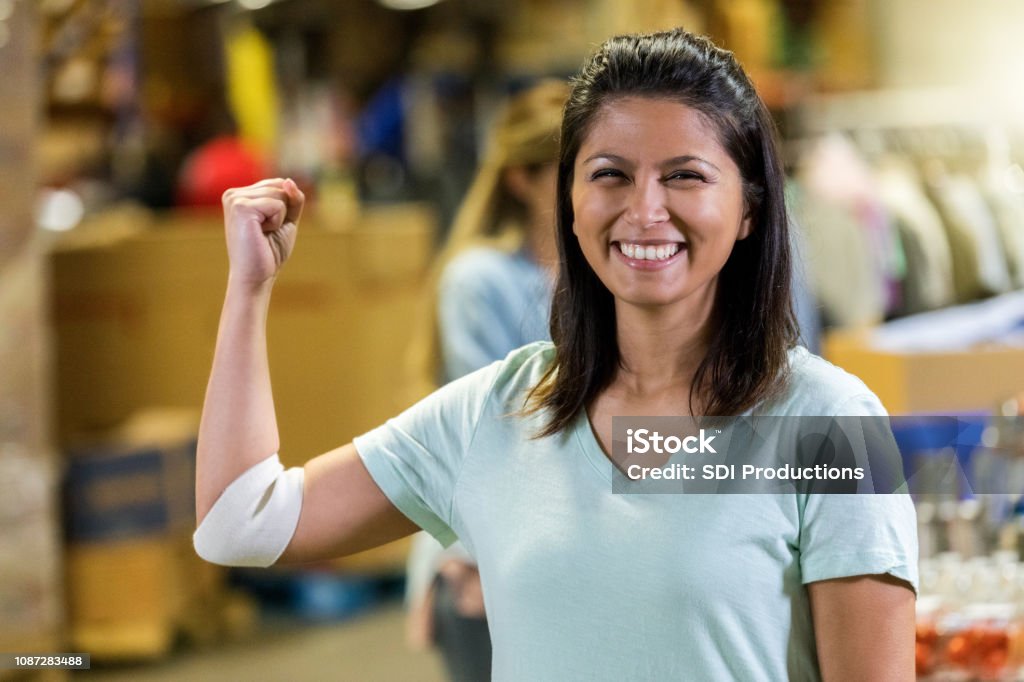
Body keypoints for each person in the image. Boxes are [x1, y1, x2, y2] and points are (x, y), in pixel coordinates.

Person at [194, 28, 917, 681]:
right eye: (609, 174)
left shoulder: (837, 422)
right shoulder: (497, 411)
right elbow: (239, 523)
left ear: (751, 208)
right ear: (568, 202)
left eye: (685, 175)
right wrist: (249, 290)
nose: (644, 209)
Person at [402, 80, 565, 681]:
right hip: (486, 560)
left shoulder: (614, 278)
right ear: (522, 180)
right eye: (574, 171)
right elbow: (491, 438)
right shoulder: (482, 281)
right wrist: (471, 553)